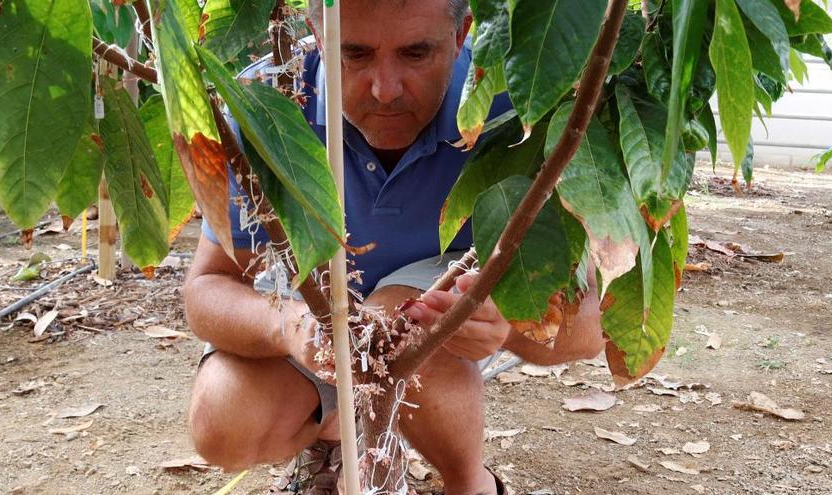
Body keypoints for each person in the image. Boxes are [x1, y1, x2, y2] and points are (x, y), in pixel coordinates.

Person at [184, 1, 606, 493]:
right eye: (356, 55)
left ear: (461, 33)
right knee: (224, 420)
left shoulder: (522, 106)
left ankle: (469, 481)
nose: (385, 90)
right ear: (317, 37)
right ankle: (339, 431)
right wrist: (294, 329)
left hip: (436, 319)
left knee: (392, 318)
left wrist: (508, 323)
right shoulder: (266, 105)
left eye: (416, 53)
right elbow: (209, 288)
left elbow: (593, 324)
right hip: (315, 305)